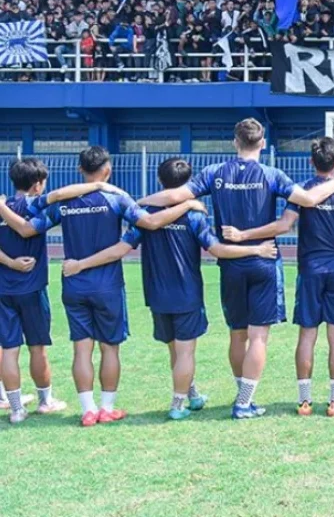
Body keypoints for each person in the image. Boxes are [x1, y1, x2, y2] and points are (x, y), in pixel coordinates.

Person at [137, 118, 334, 420]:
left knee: (237, 335)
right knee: (258, 337)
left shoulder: (215, 173)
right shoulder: (271, 174)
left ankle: (242, 398)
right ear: (262, 143)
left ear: (235, 142)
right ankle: (244, 402)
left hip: (231, 264)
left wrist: (137, 203)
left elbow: (175, 196)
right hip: (263, 260)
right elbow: (309, 198)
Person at [59, 158, 278, 420]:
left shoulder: (145, 215)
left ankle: (192, 395)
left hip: (156, 293)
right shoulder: (194, 215)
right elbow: (217, 249)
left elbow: (122, 247)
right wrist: (257, 248)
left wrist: (81, 264)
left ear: (160, 182)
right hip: (186, 293)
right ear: (188, 185)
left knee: (174, 349)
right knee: (185, 352)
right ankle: (177, 405)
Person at [0, 146, 202, 426]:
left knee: (81, 349)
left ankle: (87, 410)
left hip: (73, 284)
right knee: (110, 349)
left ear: (80, 170)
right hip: (107, 286)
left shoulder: (63, 204)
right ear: (107, 170)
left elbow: (27, 228)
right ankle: (107, 408)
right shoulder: (116, 198)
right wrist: (188, 205)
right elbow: (152, 222)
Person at [222, 138, 334, 418]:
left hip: (310, 271)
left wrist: (244, 235)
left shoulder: (301, 191)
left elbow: (284, 225)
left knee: (307, 334)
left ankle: (305, 402)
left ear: (312, 162)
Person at [0, 158, 69, 423]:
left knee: (8, 348)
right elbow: (29, 229)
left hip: (3, 289)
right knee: (37, 347)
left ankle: (16, 408)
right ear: (38, 184)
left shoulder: (3, 206)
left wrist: (9, 263)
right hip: (33, 289)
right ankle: (45, 401)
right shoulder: (41, 206)